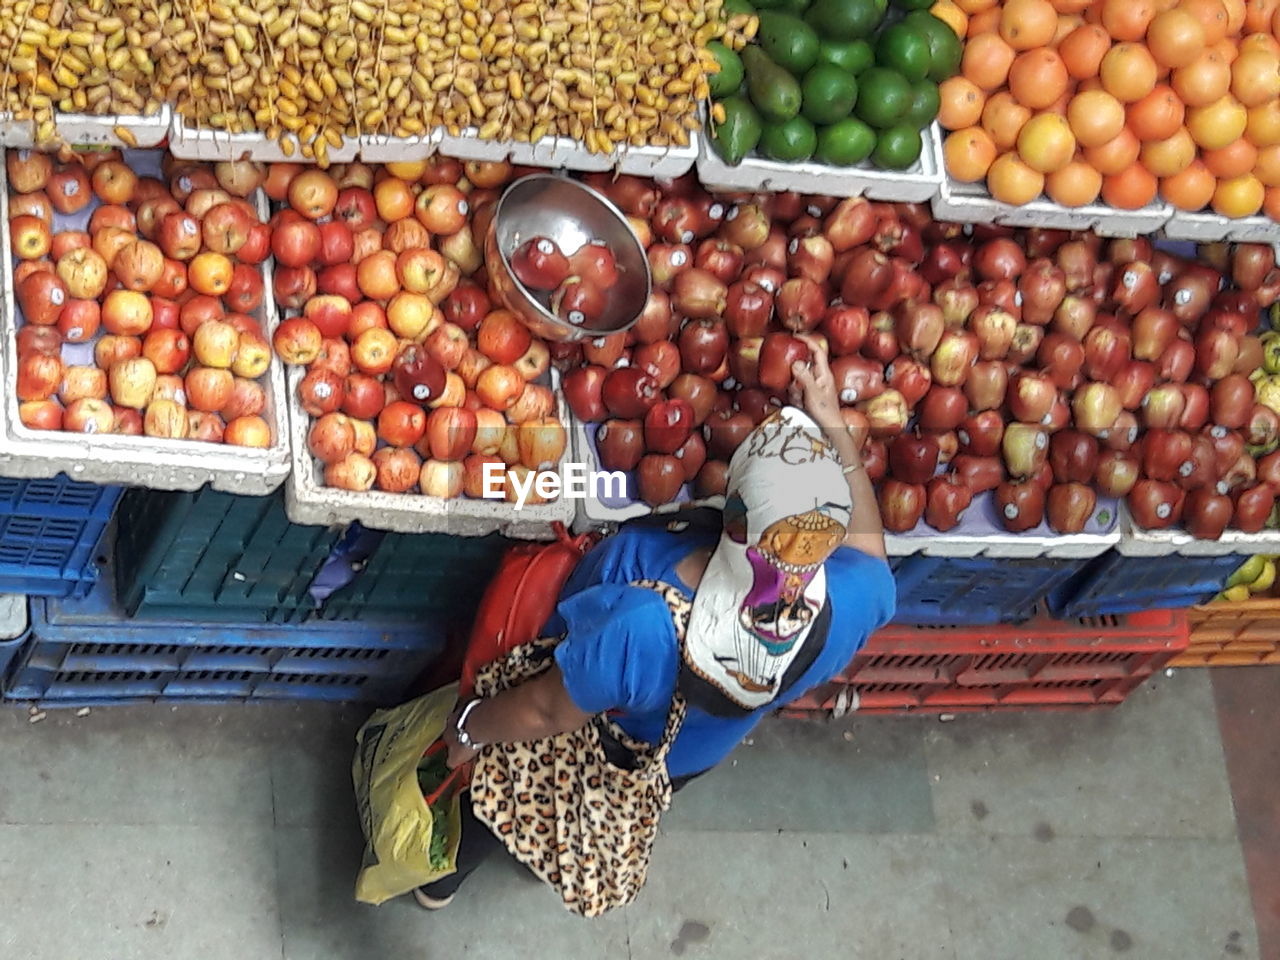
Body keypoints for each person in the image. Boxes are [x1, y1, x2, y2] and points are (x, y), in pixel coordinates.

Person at [414, 345, 896, 910]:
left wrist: (469, 731)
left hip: (587, 711)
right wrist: (832, 424)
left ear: (736, 514)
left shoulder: (647, 627)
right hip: (680, 755)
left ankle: (441, 879)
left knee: (508, 789)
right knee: (581, 805)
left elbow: (545, 712)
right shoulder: (850, 601)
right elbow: (870, 548)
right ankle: (553, 850)